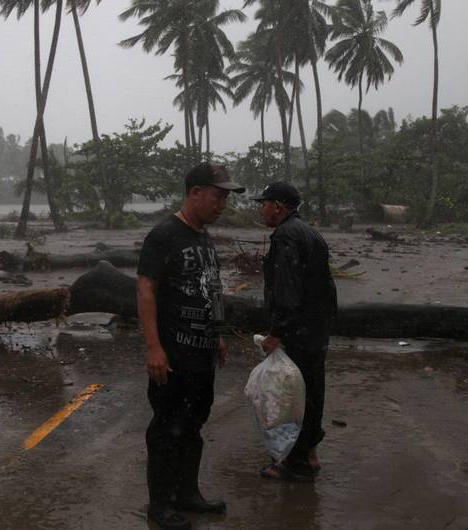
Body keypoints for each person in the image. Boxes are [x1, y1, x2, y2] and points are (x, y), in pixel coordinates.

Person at [137, 162, 245, 530]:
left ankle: (188, 494)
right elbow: (146, 288)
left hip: (202, 353)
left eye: (226, 198)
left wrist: (217, 336)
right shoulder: (164, 234)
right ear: (195, 193)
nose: (222, 205)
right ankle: (160, 505)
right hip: (173, 354)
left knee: (194, 425)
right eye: (218, 196)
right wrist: (153, 347)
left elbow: (209, 288)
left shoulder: (203, 237)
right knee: (167, 429)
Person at [254, 181, 337, 482]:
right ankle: (310, 453)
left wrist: (277, 331)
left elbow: (288, 289)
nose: (261, 208)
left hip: (299, 332)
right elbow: (326, 287)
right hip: (315, 329)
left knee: (293, 396)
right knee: (312, 391)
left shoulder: (286, 235)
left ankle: (296, 461)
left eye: (263, 203)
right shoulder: (310, 232)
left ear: (278, 206)